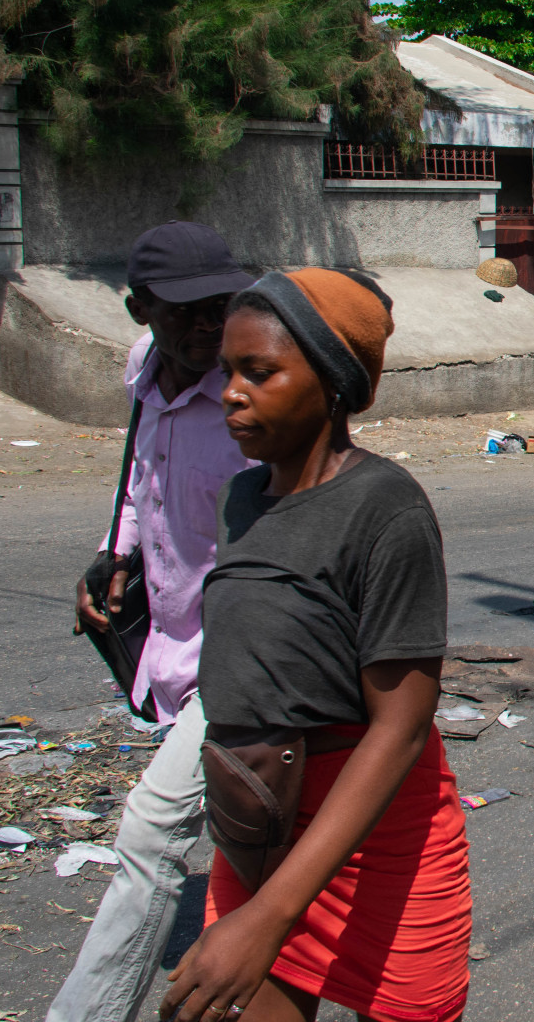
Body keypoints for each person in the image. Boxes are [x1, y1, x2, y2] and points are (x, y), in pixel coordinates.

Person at [160, 269, 470, 1022]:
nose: (231, 391)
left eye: (259, 373)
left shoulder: (386, 509)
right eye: (228, 371)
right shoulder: (243, 499)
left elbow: (398, 731)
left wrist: (269, 919)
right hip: (261, 825)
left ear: (331, 382)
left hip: (379, 840)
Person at [50, 222, 254, 1022]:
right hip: (173, 636)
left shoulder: (252, 394)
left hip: (242, 651)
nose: (211, 327)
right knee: (252, 824)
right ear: (141, 311)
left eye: (221, 307)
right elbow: (141, 476)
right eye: (189, 313)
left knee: (151, 831)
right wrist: (116, 553)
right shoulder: (143, 373)